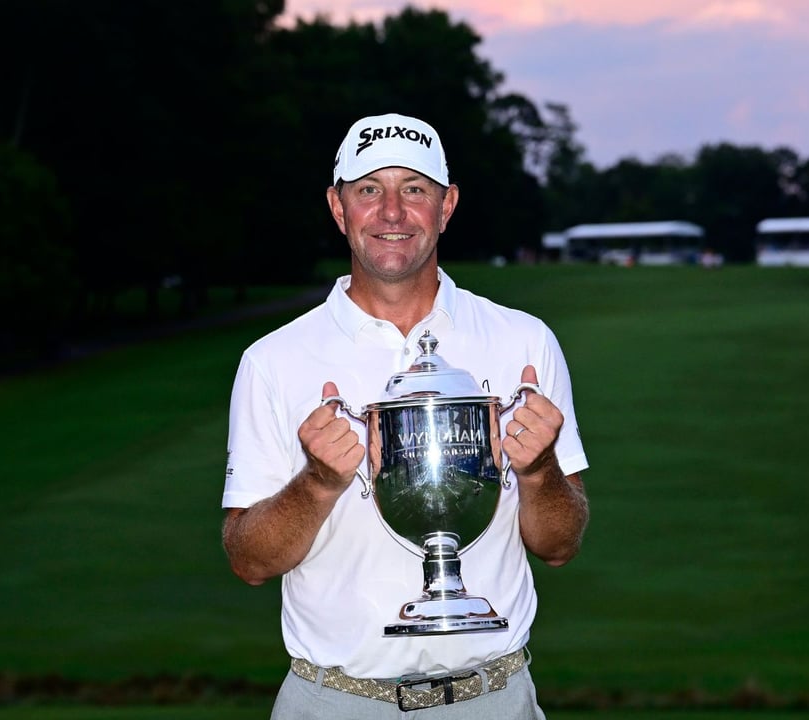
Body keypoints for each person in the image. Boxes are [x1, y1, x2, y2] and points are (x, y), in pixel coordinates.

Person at [221, 113, 590, 718]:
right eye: (369, 190)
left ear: (447, 207)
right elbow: (249, 561)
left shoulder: (524, 341)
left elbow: (560, 545)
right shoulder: (273, 360)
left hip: (492, 698)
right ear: (339, 209)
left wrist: (540, 471)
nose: (392, 213)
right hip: (336, 701)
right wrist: (316, 484)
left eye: (414, 190)